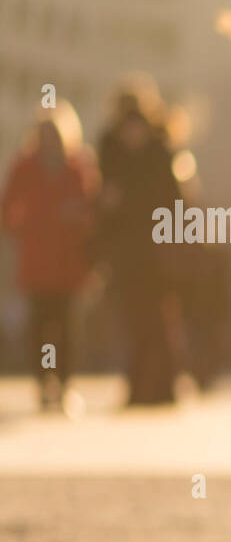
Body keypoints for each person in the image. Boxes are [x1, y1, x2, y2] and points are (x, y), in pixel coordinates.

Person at [0, 103, 98, 412]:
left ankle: (65, 384)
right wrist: (24, 226)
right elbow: (7, 209)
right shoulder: (24, 166)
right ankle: (44, 382)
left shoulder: (77, 166)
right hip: (37, 263)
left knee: (67, 328)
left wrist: (77, 218)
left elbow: (92, 209)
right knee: (40, 329)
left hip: (69, 263)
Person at [96, 79, 184, 406]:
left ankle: (163, 386)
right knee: (133, 320)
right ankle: (138, 385)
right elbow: (104, 202)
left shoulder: (160, 151)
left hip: (157, 250)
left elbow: (174, 200)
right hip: (126, 251)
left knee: (157, 320)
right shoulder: (110, 149)